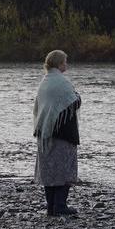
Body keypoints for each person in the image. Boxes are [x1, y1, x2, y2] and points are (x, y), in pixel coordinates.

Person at [34, 49, 82, 217]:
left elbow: (39, 107)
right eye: (65, 62)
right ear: (60, 64)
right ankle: (60, 206)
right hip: (63, 133)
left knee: (49, 170)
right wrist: (78, 96)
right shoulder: (62, 82)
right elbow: (74, 102)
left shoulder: (44, 81)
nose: (66, 64)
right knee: (64, 169)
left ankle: (51, 207)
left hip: (45, 133)